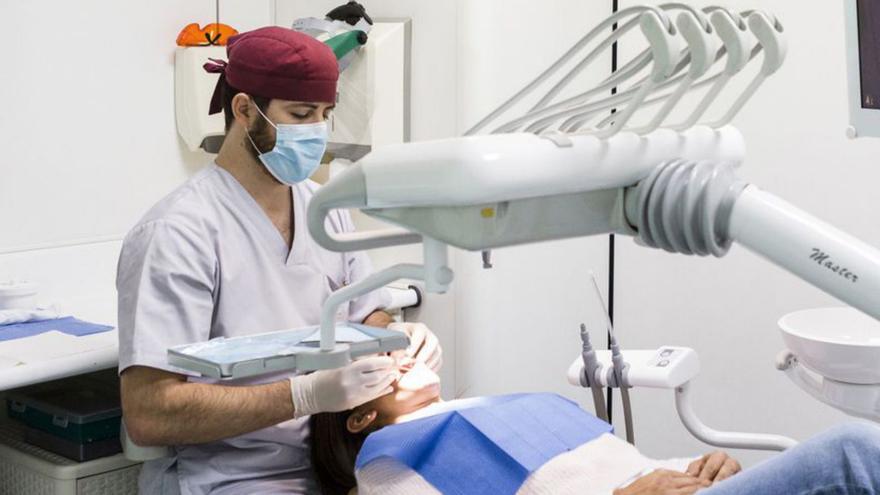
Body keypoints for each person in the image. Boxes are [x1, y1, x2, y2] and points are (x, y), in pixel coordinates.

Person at [116, 26, 442, 495]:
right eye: (301, 114)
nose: (316, 131)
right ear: (245, 110)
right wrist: (303, 396)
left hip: (335, 466)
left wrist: (395, 339)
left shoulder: (322, 208)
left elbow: (365, 312)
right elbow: (149, 413)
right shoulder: (176, 233)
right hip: (230, 477)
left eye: (325, 115)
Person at [310, 362, 880, 495]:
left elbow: (621, 466)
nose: (401, 353)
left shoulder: (503, 404)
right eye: (377, 364)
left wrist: (696, 467)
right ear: (359, 416)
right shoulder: (386, 462)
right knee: (853, 451)